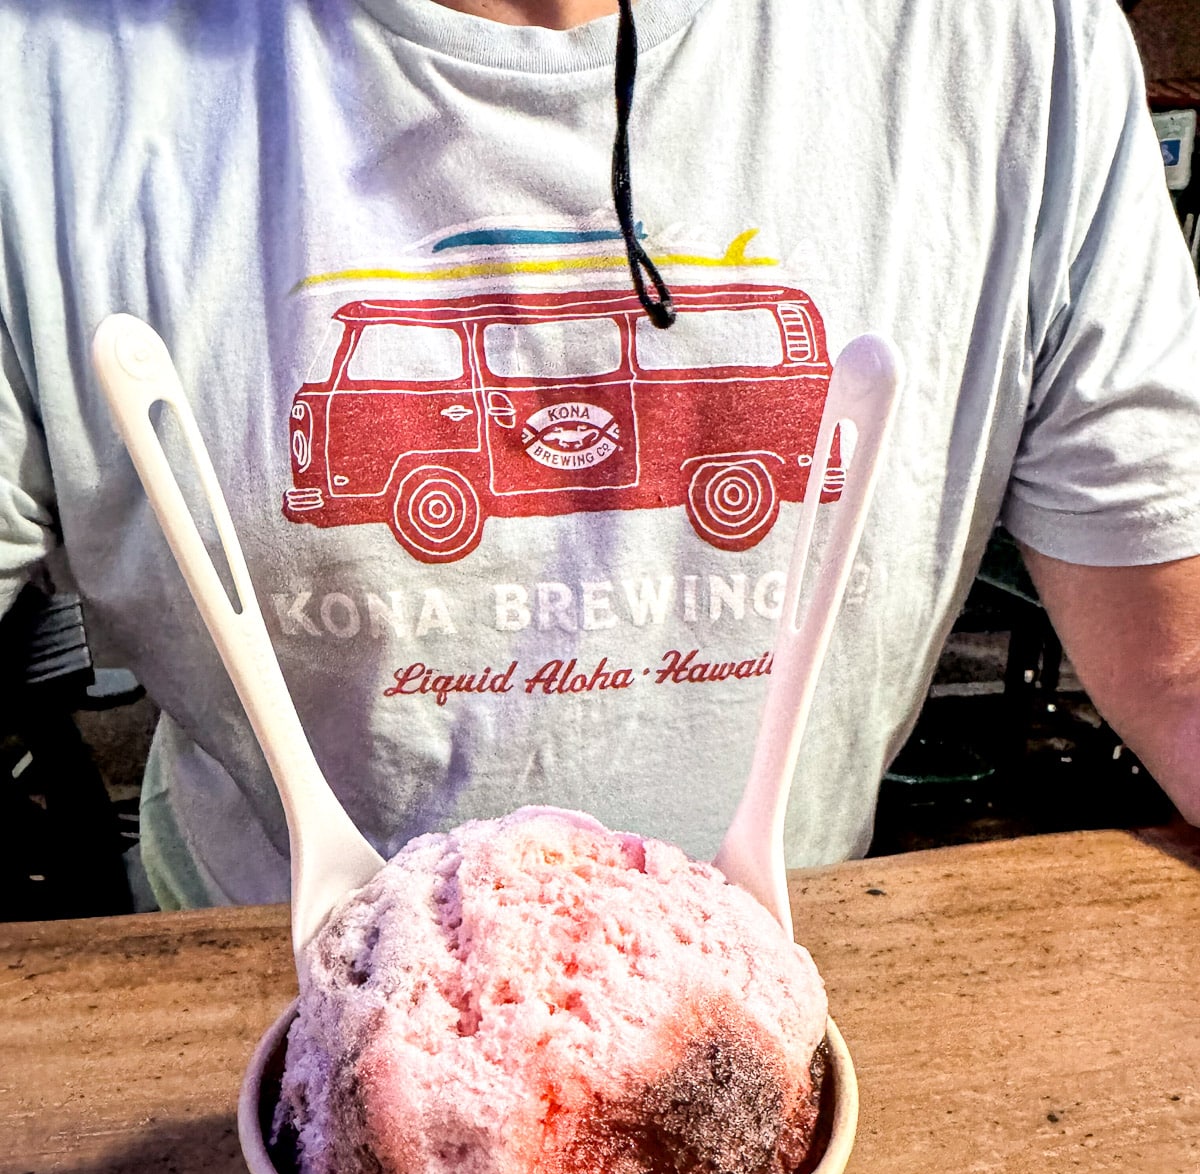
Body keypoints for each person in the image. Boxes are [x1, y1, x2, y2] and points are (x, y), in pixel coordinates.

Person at [0, 0, 1197, 910]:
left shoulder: (1014, 44)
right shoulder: (47, 74)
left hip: (789, 948)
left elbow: (1180, 658)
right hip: (247, 945)